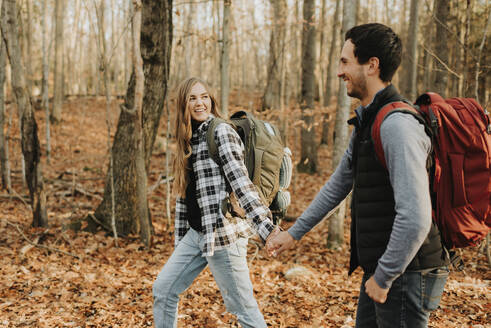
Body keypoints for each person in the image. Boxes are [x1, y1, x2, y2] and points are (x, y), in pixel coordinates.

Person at [267, 23, 449, 328]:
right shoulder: (370, 119)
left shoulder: (396, 126)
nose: (339, 72)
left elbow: (416, 217)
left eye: (345, 61)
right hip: (384, 268)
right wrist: (293, 233)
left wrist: (384, 276)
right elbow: (338, 184)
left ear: (372, 66)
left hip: (405, 273)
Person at [153, 77, 279, 328]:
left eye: (204, 97)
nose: (200, 103)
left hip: (224, 235)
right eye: (192, 98)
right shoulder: (187, 140)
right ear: (183, 105)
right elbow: (185, 198)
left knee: (244, 310)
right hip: (197, 234)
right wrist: (180, 244)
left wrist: (267, 230)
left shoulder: (221, 132)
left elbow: (242, 185)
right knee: (163, 290)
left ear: (212, 100)